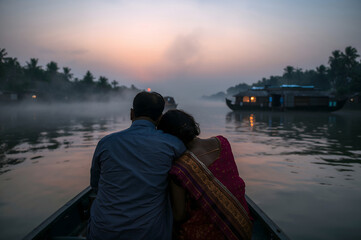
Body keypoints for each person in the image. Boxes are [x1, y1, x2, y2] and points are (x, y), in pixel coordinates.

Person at [88, 92, 186, 240]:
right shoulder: (174, 145)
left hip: (103, 232)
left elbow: (95, 185)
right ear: (160, 117)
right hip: (149, 234)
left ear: (131, 113)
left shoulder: (106, 143)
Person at [157, 110, 253, 240]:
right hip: (242, 227)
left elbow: (179, 215)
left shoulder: (179, 170)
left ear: (168, 137)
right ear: (192, 125)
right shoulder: (223, 143)